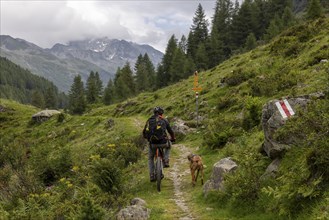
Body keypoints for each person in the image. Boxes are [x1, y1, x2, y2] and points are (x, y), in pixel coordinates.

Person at [143, 106, 175, 182]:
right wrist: (173, 138)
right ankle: (166, 160)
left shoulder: (149, 120)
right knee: (169, 145)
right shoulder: (164, 120)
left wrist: (148, 139)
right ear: (161, 113)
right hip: (163, 142)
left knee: (150, 158)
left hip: (153, 144)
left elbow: (144, 133)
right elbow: (170, 131)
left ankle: (151, 175)